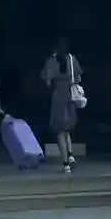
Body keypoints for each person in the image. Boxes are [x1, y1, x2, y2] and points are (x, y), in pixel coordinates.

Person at [41, 37, 83, 173]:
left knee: (59, 130)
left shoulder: (51, 61)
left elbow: (47, 81)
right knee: (67, 128)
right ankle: (70, 156)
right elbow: (78, 78)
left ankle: (65, 164)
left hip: (58, 95)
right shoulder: (72, 59)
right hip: (70, 95)